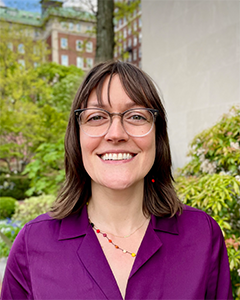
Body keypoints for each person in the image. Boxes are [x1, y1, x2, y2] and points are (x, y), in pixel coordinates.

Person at [1, 61, 233, 300]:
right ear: (76, 137)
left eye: (135, 116)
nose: (116, 134)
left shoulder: (202, 235)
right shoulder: (33, 243)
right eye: (96, 117)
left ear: (157, 135)